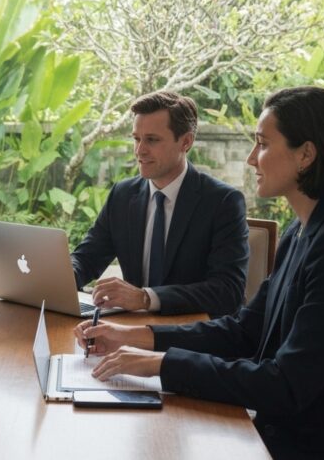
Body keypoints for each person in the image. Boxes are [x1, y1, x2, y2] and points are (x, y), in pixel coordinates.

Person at [75, 87, 324, 458]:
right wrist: (136, 337)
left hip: (320, 447)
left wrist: (161, 364)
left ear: (306, 154)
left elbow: (285, 384)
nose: (250, 159)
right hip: (291, 432)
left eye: (262, 144)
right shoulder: (305, 230)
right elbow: (245, 332)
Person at [70, 91, 248, 317]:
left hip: (189, 335)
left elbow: (228, 291)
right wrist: (58, 279)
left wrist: (146, 298)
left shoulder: (223, 202)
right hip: (128, 331)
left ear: (186, 141)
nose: (139, 150)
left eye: (152, 140)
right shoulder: (122, 195)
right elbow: (87, 257)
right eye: (136, 138)